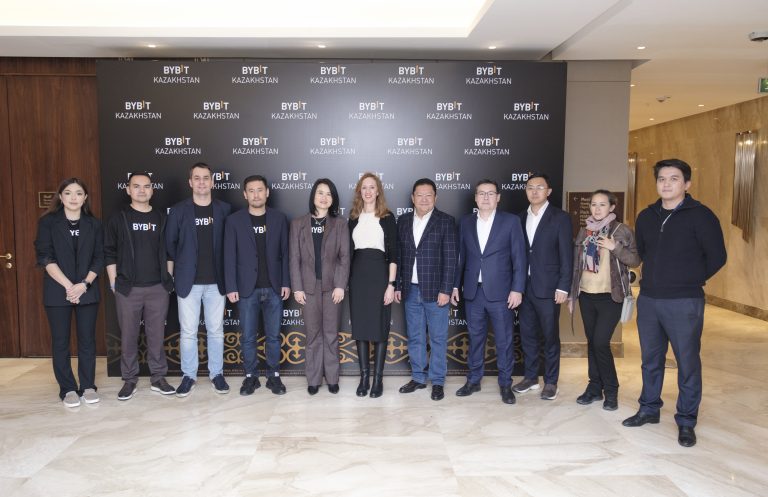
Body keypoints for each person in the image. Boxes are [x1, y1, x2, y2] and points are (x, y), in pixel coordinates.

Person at [623, 159, 726, 448]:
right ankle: (649, 408)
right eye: (662, 179)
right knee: (650, 360)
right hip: (650, 300)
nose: (666, 184)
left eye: (674, 178)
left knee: (687, 362)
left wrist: (690, 278)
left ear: (687, 184)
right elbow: (643, 253)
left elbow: (717, 257)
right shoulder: (646, 216)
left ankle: (686, 420)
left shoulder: (702, 216)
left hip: (685, 301)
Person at [451, 179, 526, 404]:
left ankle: (505, 384)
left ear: (498, 197)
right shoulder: (465, 222)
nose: (485, 197)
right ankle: (473, 381)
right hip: (473, 292)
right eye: (481, 193)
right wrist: (455, 285)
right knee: (475, 339)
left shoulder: (511, 221)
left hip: (501, 293)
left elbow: (519, 258)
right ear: (475, 197)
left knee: (504, 341)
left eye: (490, 193)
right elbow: (461, 257)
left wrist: (517, 289)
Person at [105, 172, 176, 401]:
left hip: (157, 287)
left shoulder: (161, 217)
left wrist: (168, 279)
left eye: (146, 186)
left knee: (157, 335)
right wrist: (114, 282)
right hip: (128, 288)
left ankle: (158, 378)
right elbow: (109, 252)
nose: (141, 190)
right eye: (136, 186)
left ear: (152, 190)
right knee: (128, 336)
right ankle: (129, 379)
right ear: (128, 190)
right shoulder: (119, 218)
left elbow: (169, 251)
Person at [34, 178, 104, 407]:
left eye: (79, 193)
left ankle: (88, 386)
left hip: (87, 290)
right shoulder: (48, 222)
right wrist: (69, 286)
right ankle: (68, 389)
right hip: (58, 291)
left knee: (87, 341)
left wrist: (84, 285)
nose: (74, 197)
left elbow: (99, 258)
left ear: (85, 198)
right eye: (68, 193)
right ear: (61, 197)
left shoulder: (94, 224)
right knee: (61, 342)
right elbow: (45, 257)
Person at [569, 190, 640, 411]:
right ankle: (594, 387)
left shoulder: (622, 231)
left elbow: (635, 260)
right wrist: (572, 292)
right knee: (592, 343)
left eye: (602, 204)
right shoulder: (585, 231)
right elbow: (576, 265)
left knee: (601, 342)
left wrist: (614, 247)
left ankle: (611, 390)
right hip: (586, 295)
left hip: (611, 296)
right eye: (593, 204)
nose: (597, 209)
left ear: (611, 207)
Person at [166, 162, 232, 397]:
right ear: (190, 182)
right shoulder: (178, 211)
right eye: (197, 178)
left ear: (212, 182)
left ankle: (217, 374)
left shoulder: (224, 209)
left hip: (217, 282)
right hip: (188, 282)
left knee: (216, 331)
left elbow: (231, 246)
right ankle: (189, 376)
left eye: (206, 178)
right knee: (188, 332)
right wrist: (170, 277)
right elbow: (170, 246)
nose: (202, 182)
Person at [224, 175, 290, 395]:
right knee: (248, 337)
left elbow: (286, 253)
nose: (256, 194)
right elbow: (229, 256)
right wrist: (231, 286)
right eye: (251, 191)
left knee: (273, 337)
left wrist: (286, 282)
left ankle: (273, 376)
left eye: (260, 190)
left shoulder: (279, 219)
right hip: (246, 289)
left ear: (267, 192)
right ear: (245, 194)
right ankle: (250, 377)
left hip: (274, 287)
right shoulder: (234, 221)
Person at [394, 178, 457, 401]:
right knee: (415, 337)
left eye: (428, 195)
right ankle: (418, 378)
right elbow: (399, 256)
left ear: (435, 197)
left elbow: (451, 259)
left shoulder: (446, 221)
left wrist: (446, 289)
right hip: (410, 290)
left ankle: (437, 381)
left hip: (436, 290)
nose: (424, 199)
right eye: (419, 195)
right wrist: (398, 285)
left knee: (438, 338)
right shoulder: (403, 221)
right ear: (412, 198)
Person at [514, 173, 573, 401]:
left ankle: (551, 381)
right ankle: (531, 378)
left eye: (540, 187)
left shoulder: (560, 217)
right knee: (527, 335)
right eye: (530, 187)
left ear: (548, 191)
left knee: (549, 336)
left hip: (549, 288)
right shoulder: (520, 217)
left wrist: (563, 287)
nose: (535, 191)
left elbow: (566, 255)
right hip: (524, 287)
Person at [289, 179, 350, 395]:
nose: (324, 198)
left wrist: (340, 285)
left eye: (328, 194)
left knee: (331, 334)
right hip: (308, 287)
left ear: (333, 199)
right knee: (313, 334)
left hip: (332, 287)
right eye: (320, 193)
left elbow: (344, 257)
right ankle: (313, 379)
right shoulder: (298, 224)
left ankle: (332, 378)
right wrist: (297, 288)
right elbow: (294, 258)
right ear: (313, 196)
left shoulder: (340, 224)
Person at [348, 172, 397, 398]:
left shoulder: (387, 217)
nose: (368, 191)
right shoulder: (353, 219)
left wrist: (391, 284)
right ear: (360, 191)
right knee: (360, 328)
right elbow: (347, 253)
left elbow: (394, 254)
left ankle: (378, 380)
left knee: (379, 328)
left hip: (380, 275)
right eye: (364, 187)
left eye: (372, 187)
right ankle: (364, 378)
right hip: (358, 276)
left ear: (378, 192)